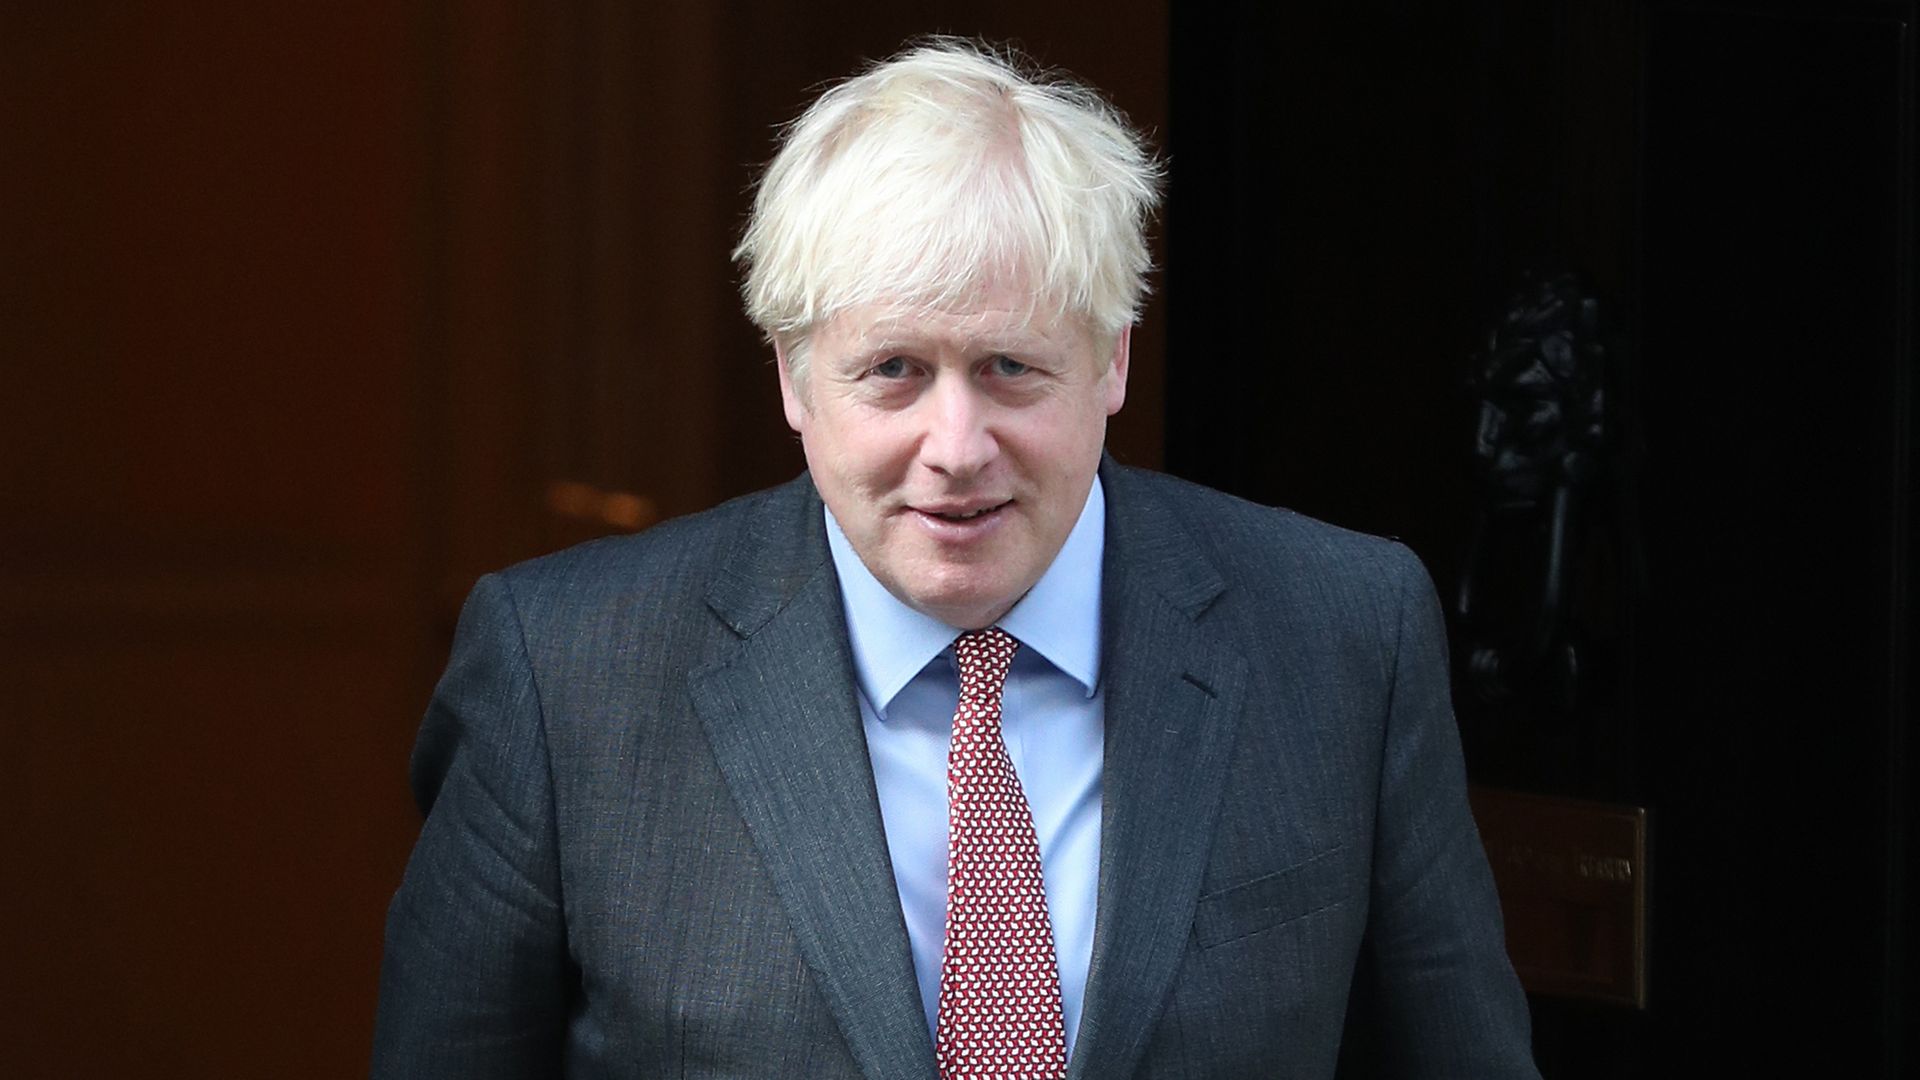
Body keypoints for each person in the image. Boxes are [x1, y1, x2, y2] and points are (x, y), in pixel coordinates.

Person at [372, 39, 1539, 1080]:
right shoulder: (565, 673)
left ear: (1113, 359)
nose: (957, 450)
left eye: (1009, 369)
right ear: (791, 377)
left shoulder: (1345, 633)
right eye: (891, 371)